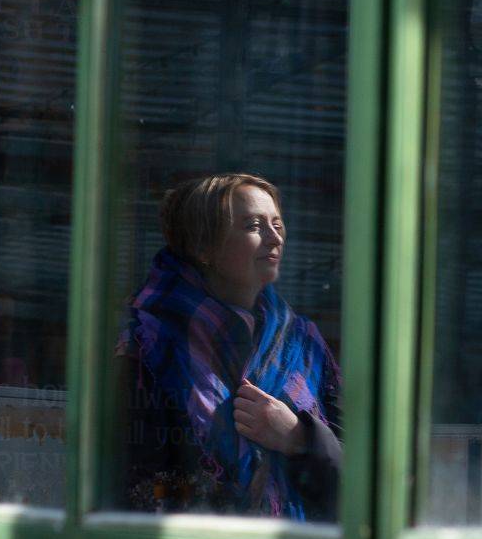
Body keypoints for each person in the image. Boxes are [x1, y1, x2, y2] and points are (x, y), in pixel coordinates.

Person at [117, 173, 341, 520]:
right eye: (254, 226)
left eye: (277, 224)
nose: (275, 237)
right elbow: (134, 488)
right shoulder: (150, 344)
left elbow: (360, 482)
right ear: (204, 248)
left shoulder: (303, 343)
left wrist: (299, 437)